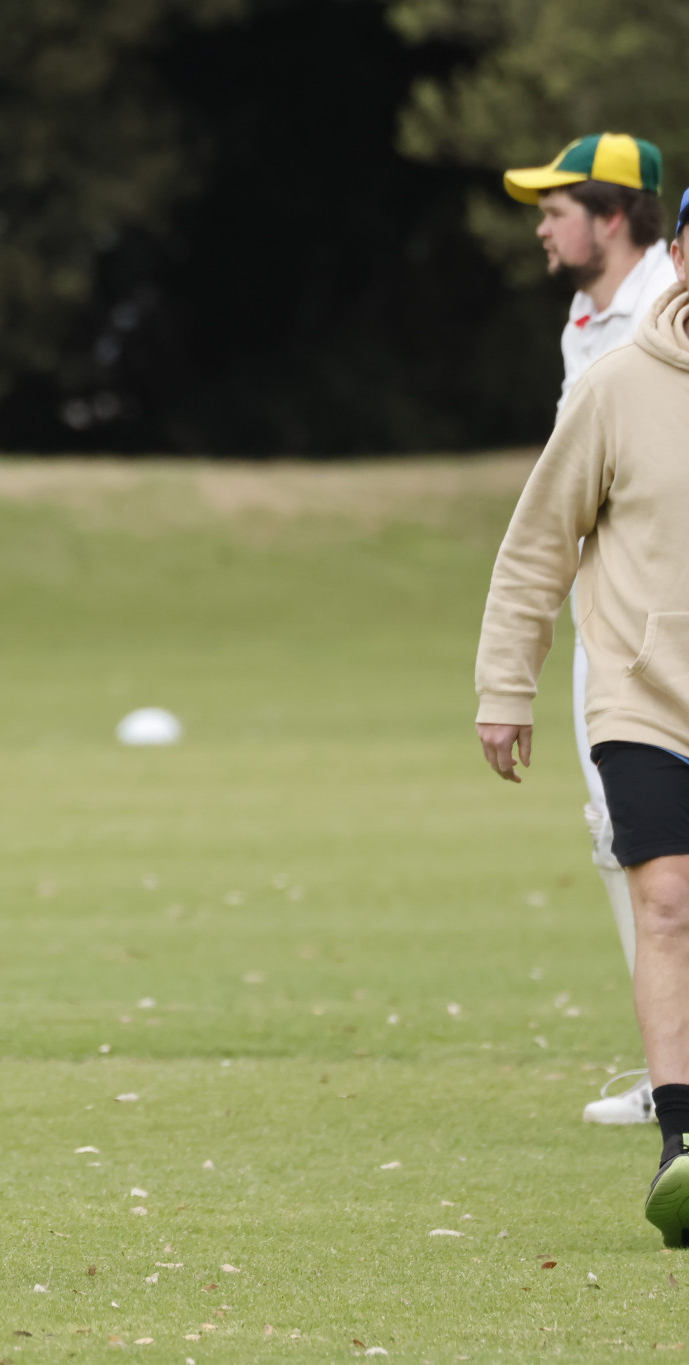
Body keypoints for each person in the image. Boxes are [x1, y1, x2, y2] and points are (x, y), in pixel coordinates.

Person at [476, 187, 689, 1246]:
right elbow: (533, 547)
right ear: (679, 254)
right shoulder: (613, 387)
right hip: (644, 698)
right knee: (663, 903)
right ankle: (681, 1145)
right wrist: (503, 688)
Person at [502, 132, 673, 1125]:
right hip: (598, 610)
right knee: (618, 834)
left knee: (654, 840)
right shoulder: (585, 316)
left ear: (609, 216)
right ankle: (668, 1074)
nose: (541, 225)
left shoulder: (660, 312)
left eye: (556, 207)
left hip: (654, 615)